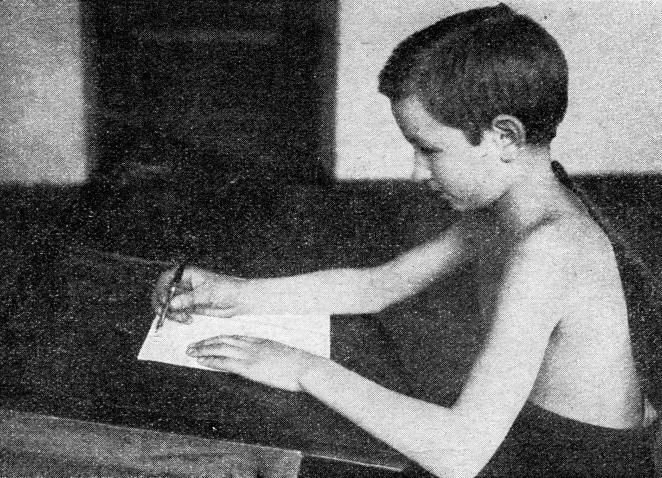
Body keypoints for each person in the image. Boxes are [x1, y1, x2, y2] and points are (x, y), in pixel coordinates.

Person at [154, 4, 660, 477]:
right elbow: (376, 287)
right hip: (528, 438)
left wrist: (304, 368)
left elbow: (459, 454)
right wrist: (236, 294)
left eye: (428, 149)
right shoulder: (509, 209)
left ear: (505, 138)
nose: (417, 172)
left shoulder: (548, 248)